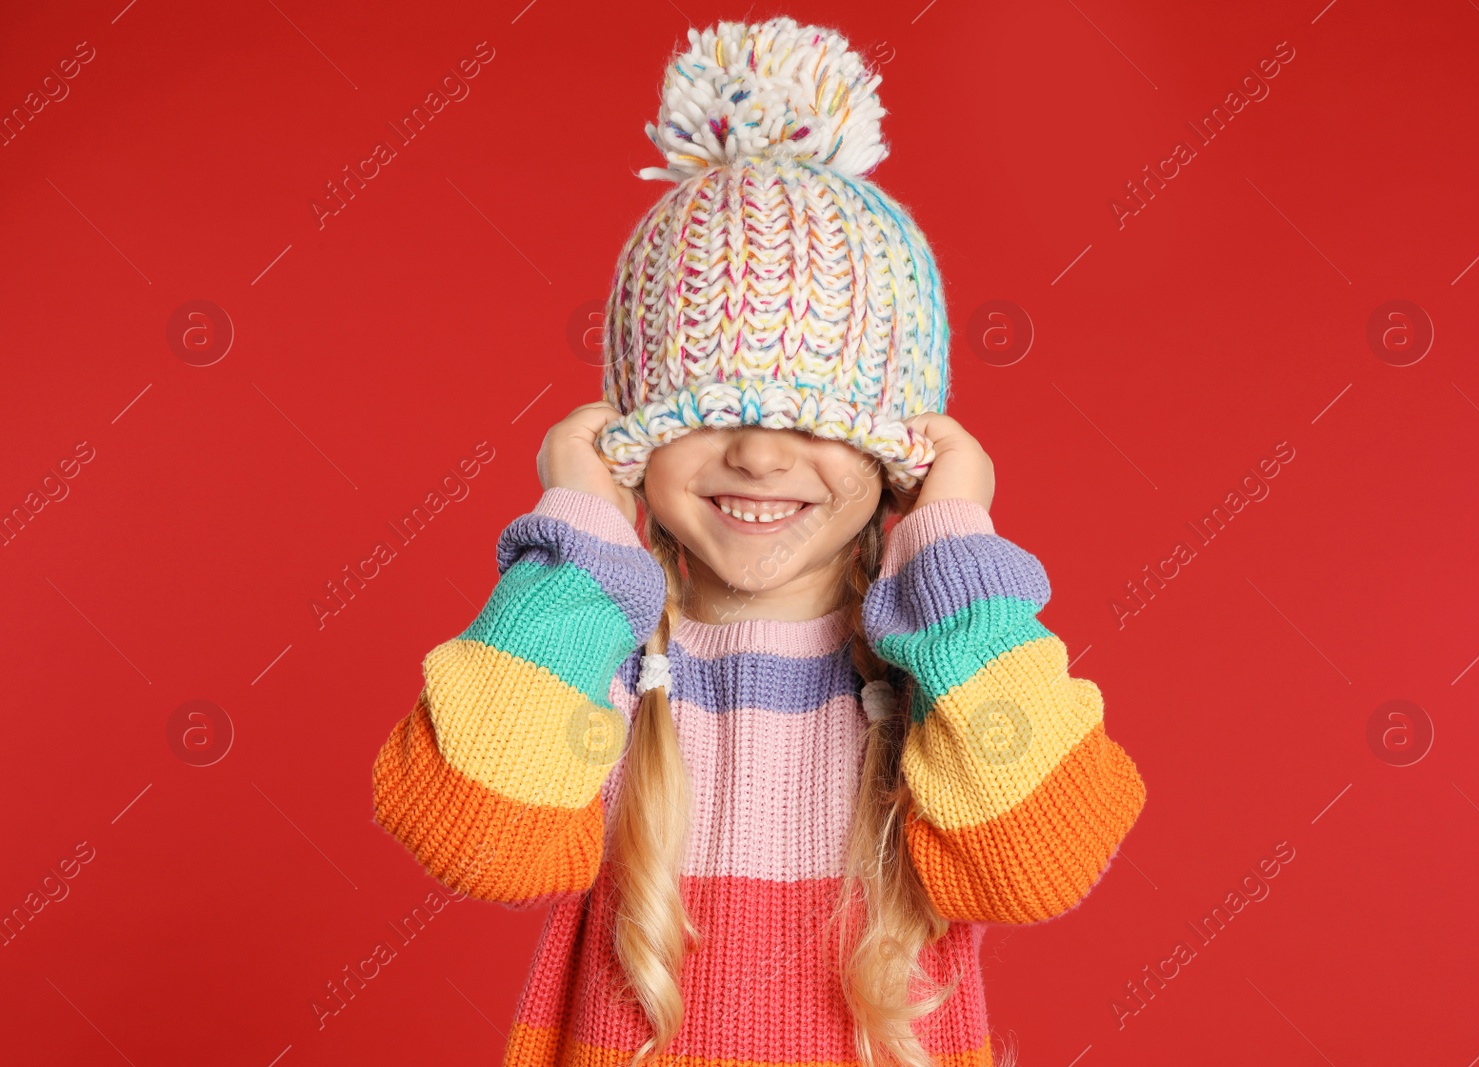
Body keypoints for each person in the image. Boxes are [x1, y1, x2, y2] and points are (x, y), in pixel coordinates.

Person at [371, 16, 1147, 1067]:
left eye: (818, 419)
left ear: (898, 454)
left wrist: (950, 551)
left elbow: (1038, 859)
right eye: (706, 409)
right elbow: (472, 837)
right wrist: (585, 537)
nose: (761, 456)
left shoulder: (940, 685)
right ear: (634, 435)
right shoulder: (595, 661)